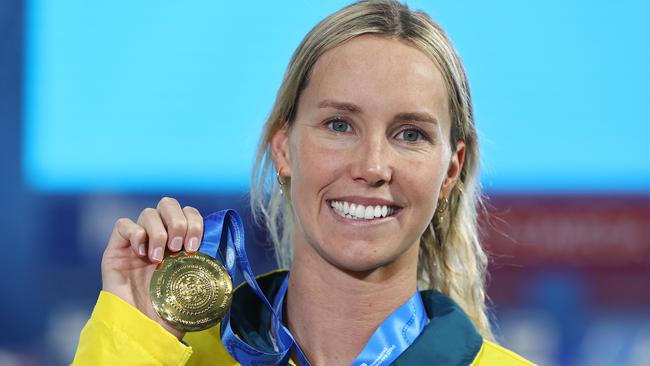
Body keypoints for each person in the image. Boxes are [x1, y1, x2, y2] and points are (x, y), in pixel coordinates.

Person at [72, 1, 534, 365]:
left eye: (409, 134)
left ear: (450, 169)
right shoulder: (177, 357)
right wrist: (136, 337)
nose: (372, 166)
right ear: (283, 147)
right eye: (339, 125)